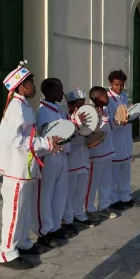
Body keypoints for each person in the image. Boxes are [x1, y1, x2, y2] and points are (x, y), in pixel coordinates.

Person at [0, 64, 62, 269]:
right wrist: (45, 143)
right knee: (14, 211)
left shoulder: (24, 105)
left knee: (23, 210)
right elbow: (16, 141)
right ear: (22, 86)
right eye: (31, 83)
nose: (34, 86)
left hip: (26, 168)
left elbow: (28, 138)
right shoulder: (16, 107)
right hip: (16, 170)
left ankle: (22, 243)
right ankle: (7, 252)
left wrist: (46, 144)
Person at [32, 78, 71, 248]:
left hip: (61, 156)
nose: (62, 93)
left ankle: (55, 226)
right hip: (49, 156)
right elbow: (48, 133)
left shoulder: (57, 109)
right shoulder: (43, 111)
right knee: (45, 195)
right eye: (59, 89)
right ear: (49, 91)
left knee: (59, 193)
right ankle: (44, 231)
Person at [106, 70, 140, 210]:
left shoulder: (124, 96)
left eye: (122, 85)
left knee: (125, 172)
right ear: (110, 83)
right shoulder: (107, 99)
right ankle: (112, 200)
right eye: (116, 84)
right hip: (114, 140)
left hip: (126, 139)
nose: (119, 88)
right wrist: (117, 121)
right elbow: (107, 120)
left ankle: (125, 197)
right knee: (113, 173)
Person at [61, 88, 97, 230]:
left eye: (83, 105)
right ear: (70, 106)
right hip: (72, 161)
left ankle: (79, 214)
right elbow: (67, 139)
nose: (81, 108)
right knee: (69, 192)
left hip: (84, 159)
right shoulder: (65, 119)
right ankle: (67, 219)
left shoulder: (86, 119)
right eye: (78, 105)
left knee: (81, 190)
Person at [85, 86, 118, 221]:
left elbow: (110, 128)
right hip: (96, 155)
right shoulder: (92, 114)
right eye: (105, 96)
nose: (108, 98)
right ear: (97, 99)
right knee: (92, 183)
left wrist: (117, 121)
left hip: (108, 153)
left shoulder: (105, 111)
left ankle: (103, 206)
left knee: (106, 182)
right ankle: (88, 208)